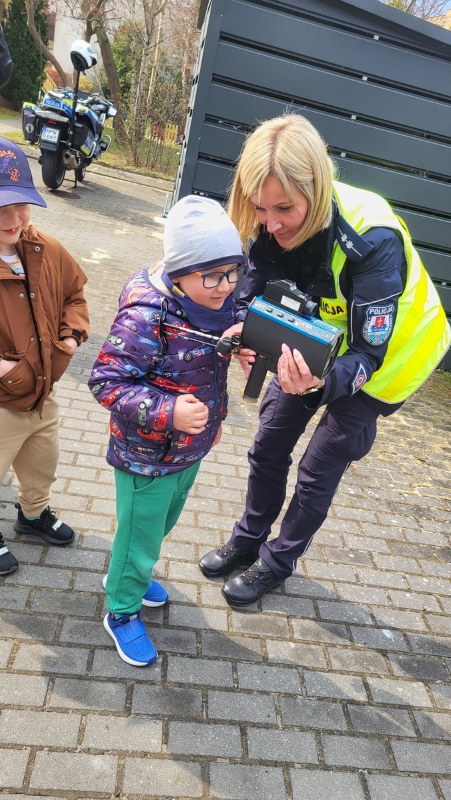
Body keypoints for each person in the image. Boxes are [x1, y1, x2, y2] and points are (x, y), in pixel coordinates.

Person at [199, 113, 451, 608]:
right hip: (318, 339)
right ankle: (249, 538)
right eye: (259, 208)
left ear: (317, 185)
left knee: (318, 467)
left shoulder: (372, 237)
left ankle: (277, 561)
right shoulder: (268, 221)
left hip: (388, 357)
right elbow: (255, 291)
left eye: (284, 209)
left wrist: (316, 384)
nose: (270, 223)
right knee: (269, 442)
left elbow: (367, 354)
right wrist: (243, 330)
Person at [88, 195, 245, 666]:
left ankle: (125, 574)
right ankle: (120, 608)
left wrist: (241, 342)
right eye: (213, 276)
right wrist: (168, 413)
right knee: (140, 537)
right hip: (146, 455)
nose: (226, 287)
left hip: (189, 450)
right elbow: (105, 380)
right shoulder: (146, 316)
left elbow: (214, 344)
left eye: (233, 271)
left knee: (156, 528)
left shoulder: (212, 300)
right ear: (179, 273)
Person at [0, 137, 89, 576]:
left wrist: (70, 335)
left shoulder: (42, 247)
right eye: (1, 208)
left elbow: (74, 292)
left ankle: (32, 515)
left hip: (42, 390)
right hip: (1, 397)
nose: (15, 219)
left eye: (22, 203)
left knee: (42, 461)